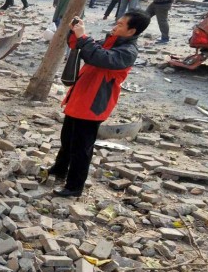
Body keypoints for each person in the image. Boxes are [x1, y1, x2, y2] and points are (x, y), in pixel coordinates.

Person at [43, 12, 150, 197]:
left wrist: (83, 37)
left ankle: (75, 186)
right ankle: (60, 168)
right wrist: (74, 33)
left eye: (121, 24)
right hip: (80, 97)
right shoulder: (111, 41)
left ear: (132, 31)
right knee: (67, 139)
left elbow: (99, 57)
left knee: (81, 148)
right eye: (117, 22)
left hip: (93, 104)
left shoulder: (127, 52)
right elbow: (79, 47)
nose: (115, 26)